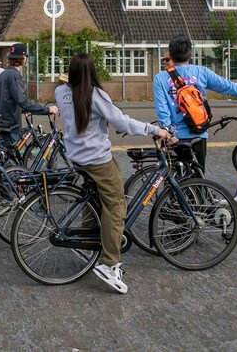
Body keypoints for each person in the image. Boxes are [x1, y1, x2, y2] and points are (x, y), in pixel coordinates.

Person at [56, 53, 171, 295]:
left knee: (92, 200)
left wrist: (69, 80)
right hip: (97, 159)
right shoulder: (95, 96)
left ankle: (89, 243)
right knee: (116, 205)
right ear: (92, 72)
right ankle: (109, 263)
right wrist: (155, 130)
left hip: (75, 156)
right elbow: (122, 122)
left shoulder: (61, 93)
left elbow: (68, 88)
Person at [153, 35, 237, 172]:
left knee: (173, 183)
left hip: (173, 137)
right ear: (190, 55)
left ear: (169, 53)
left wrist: (169, 134)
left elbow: (162, 110)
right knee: (197, 181)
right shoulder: (201, 72)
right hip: (197, 134)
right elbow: (230, 87)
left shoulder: (160, 78)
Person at [0, 43, 58, 147]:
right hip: (11, 125)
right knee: (12, 159)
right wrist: (47, 110)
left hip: (2, 122)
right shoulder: (14, 75)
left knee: (5, 156)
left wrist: (24, 109)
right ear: (23, 58)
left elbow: (1, 98)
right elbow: (22, 100)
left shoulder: (2, 74)